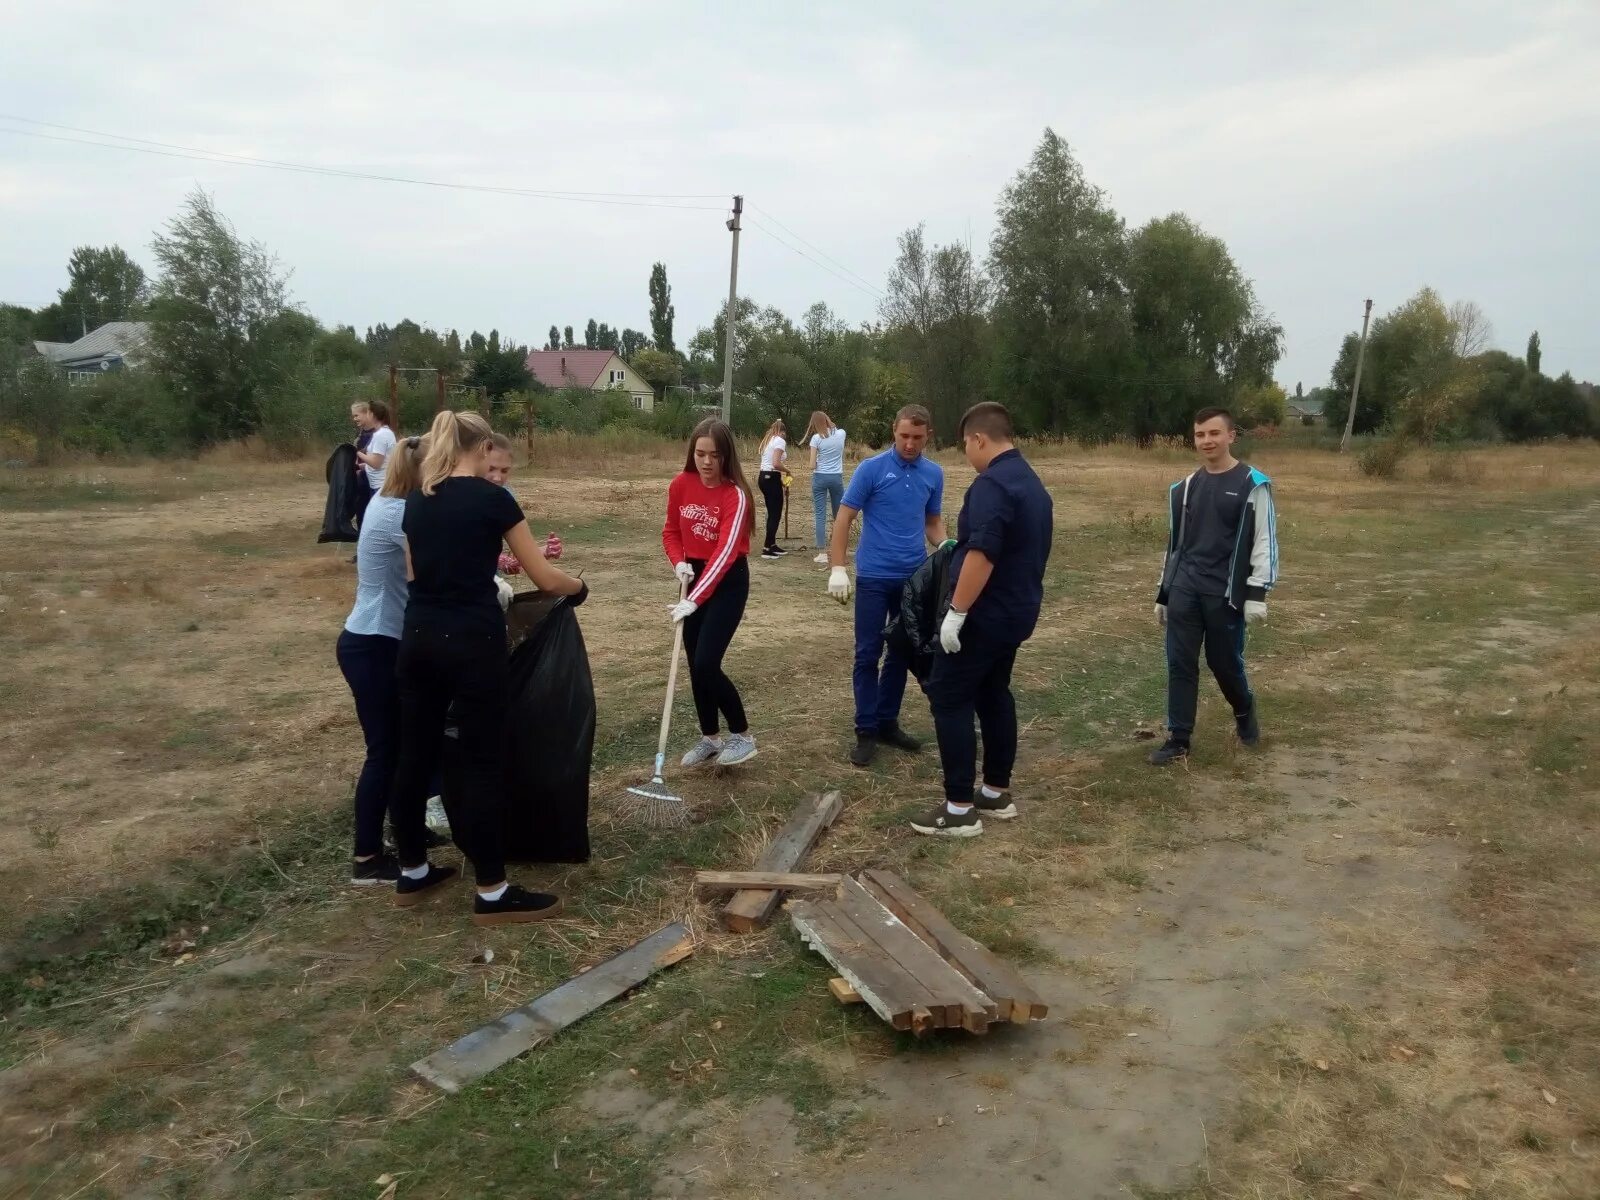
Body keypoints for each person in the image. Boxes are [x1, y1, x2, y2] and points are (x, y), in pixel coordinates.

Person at [387, 410, 589, 925]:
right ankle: (493, 892)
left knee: (413, 755)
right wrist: (578, 588)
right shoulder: (493, 500)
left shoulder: (416, 500)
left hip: (417, 639)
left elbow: (417, 571)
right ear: (479, 451)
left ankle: (411, 870)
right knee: (479, 762)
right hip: (471, 644)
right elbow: (543, 576)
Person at [911, 403, 1053, 838]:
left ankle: (958, 809)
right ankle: (995, 791)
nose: (966, 455)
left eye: (964, 446)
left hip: (985, 615)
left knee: (949, 697)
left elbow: (983, 554)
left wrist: (957, 612)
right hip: (1017, 611)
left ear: (978, 439)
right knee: (994, 692)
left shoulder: (991, 485)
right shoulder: (1031, 482)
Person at [1149, 407, 1278, 766]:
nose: (1206, 441)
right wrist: (1165, 591)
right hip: (1186, 588)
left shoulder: (1253, 484)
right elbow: (1175, 543)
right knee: (1180, 662)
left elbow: (1264, 541)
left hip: (1225, 594)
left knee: (1223, 663)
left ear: (1231, 436)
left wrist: (1256, 593)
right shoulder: (1187, 486)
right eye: (1200, 435)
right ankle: (1178, 739)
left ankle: (1244, 709)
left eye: (1214, 433)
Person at [827, 404, 944, 767]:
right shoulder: (872, 469)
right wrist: (838, 567)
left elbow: (932, 521)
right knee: (867, 653)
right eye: (904, 436)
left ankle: (887, 722)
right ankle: (865, 729)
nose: (910, 444)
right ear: (894, 431)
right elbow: (845, 517)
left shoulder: (933, 474)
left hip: (912, 580)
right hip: (875, 577)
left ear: (928, 437)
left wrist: (947, 546)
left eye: (917, 438)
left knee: (901, 652)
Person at [336, 432, 427, 883]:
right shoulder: (401, 514)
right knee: (385, 751)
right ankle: (367, 858)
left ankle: (407, 830)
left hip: (373, 638)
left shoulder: (386, 503)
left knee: (404, 744)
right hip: (375, 642)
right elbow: (423, 576)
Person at [663, 417, 759, 768]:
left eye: (714, 455)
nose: (706, 462)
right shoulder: (680, 484)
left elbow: (726, 552)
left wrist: (693, 599)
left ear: (725, 457)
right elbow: (671, 531)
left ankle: (743, 736)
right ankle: (710, 738)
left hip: (727, 581)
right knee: (693, 663)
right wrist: (678, 563)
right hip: (694, 576)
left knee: (706, 662)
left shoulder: (735, 494)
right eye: (700, 454)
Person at [803, 410, 847, 564]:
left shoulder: (816, 438)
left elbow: (811, 465)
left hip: (820, 477)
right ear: (827, 419)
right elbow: (835, 429)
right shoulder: (841, 434)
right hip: (836, 477)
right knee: (839, 516)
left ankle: (822, 553)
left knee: (820, 515)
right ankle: (840, 552)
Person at [755, 419, 788, 559]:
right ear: (782, 432)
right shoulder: (779, 440)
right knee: (775, 513)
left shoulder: (769, 440)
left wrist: (779, 480)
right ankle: (767, 548)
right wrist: (788, 471)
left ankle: (772, 544)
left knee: (772, 511)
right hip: (771, 476)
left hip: (764, 476)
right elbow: (775, 463)